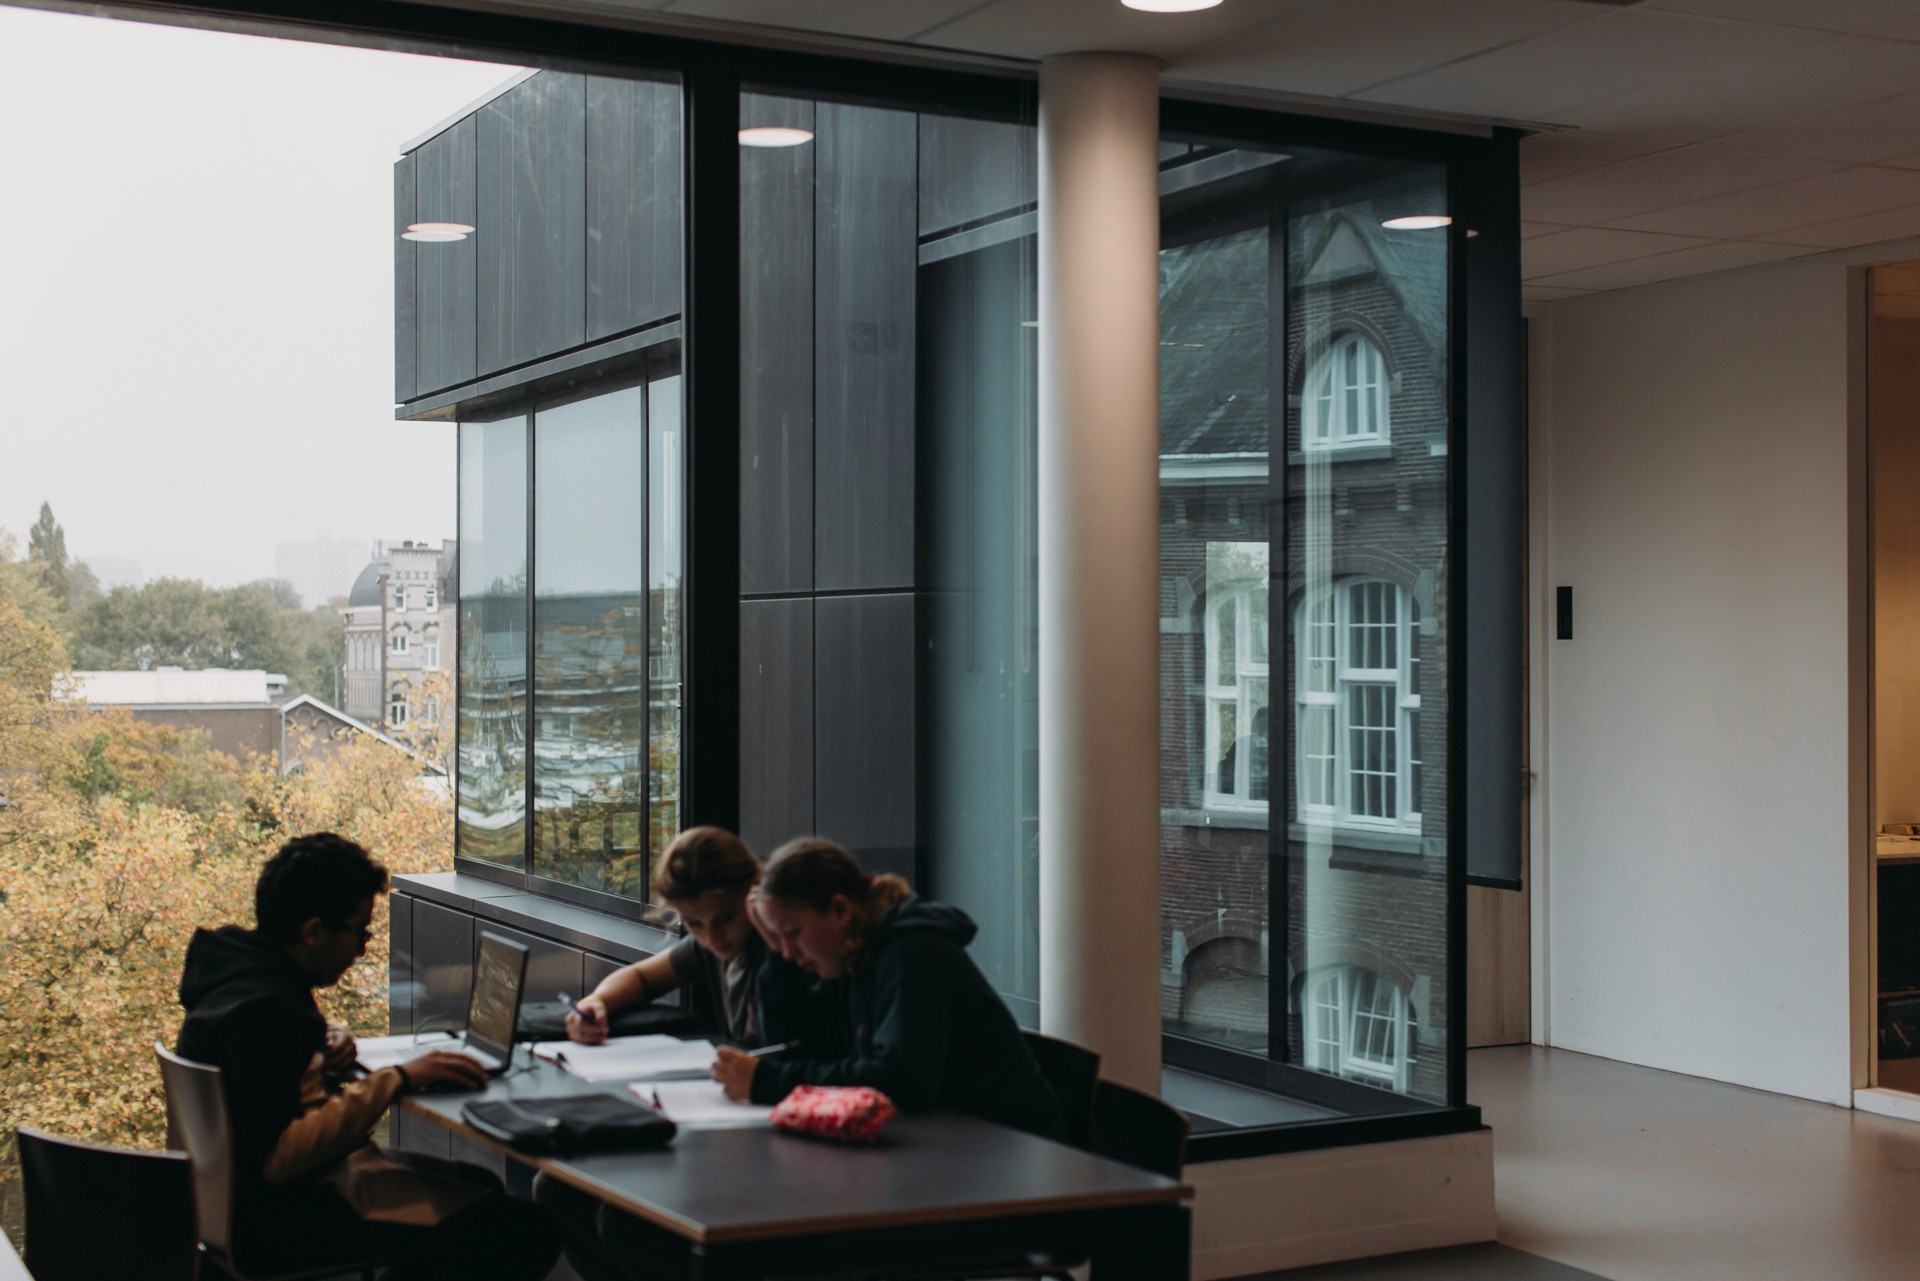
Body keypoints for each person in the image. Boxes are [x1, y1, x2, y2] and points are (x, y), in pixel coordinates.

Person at [175, 832, 561, 1281]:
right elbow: (280, 1157)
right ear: (314, 932)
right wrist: (397, 1078)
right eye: (359, 931)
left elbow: (274, 1071)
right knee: (522, 1229)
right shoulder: (269, 1015)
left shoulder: (237, 974)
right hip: (284, 1221)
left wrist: (323, 1041)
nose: (362, 948)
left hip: (231, 1211)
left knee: (481, 1190)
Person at [712, 837, 1063, 1139]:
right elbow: (799, 1049)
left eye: (792, 933)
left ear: (840, 910)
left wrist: (768, 1083)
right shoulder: (852, 959)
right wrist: (776, 957)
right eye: (778, 939)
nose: (790, 952)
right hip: (943, 1141)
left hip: (1008, 1151)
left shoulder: (913, 956)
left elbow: (900, 1082)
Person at [564, 825, 772, 1047]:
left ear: (755, 888)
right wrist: (597, 1002)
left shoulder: (786, 951)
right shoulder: (709, 946)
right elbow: (641, 977)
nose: (713, 939)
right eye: (694, 923)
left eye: (726, 918)